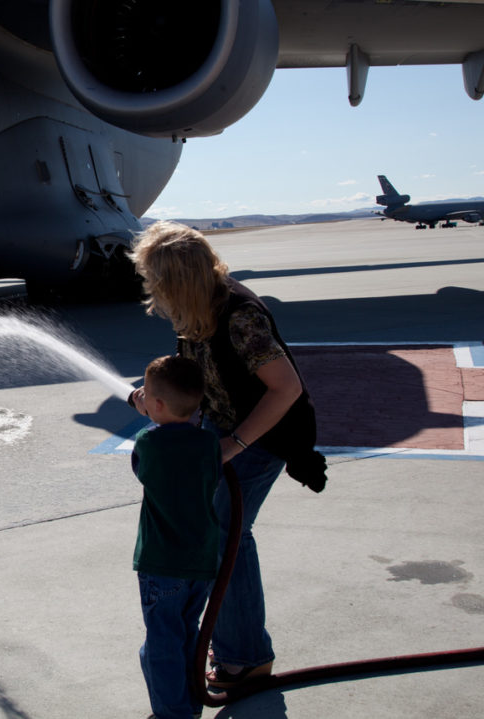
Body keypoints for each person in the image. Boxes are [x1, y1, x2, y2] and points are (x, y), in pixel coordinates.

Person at [128, 221, 326, 691]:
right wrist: (157, 397)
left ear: (178, 281)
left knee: (224, 534)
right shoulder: (194, 308)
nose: (152, 289)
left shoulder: (239, 316)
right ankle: (237, 642)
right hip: (223, 426)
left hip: (262, 433)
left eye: (157, 279)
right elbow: (200, 374)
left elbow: (286, 389)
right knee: (216, 532)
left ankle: (247, 658)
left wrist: (232, 446)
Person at [130, 355, 220, 719]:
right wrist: (155, 408)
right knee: (187, 630)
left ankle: (173, 714)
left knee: (162, 642)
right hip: (200, 561)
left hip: (162, 562)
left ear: (158, 404)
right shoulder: (209, 443)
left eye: (148, 396)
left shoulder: (148, 442)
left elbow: (141, 468)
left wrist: (146, 415)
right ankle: (189, 703)